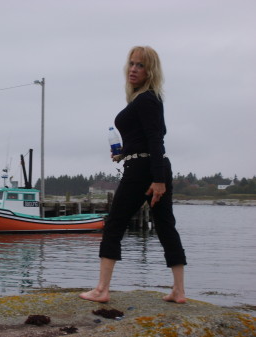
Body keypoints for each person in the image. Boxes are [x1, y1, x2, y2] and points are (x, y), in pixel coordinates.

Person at [80, 46, 187, 304]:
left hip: (145, 169)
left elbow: (155, 139)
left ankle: (102, 290)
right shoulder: (147, 99)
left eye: (140, 65)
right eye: (131, 63)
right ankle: (179, 292)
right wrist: (123, 153)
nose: (133, 69)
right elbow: (146, 139)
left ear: (151, 71)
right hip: (150, 165)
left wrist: (158, 180)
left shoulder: (147, 99)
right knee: (165, 225)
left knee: (115, 223)